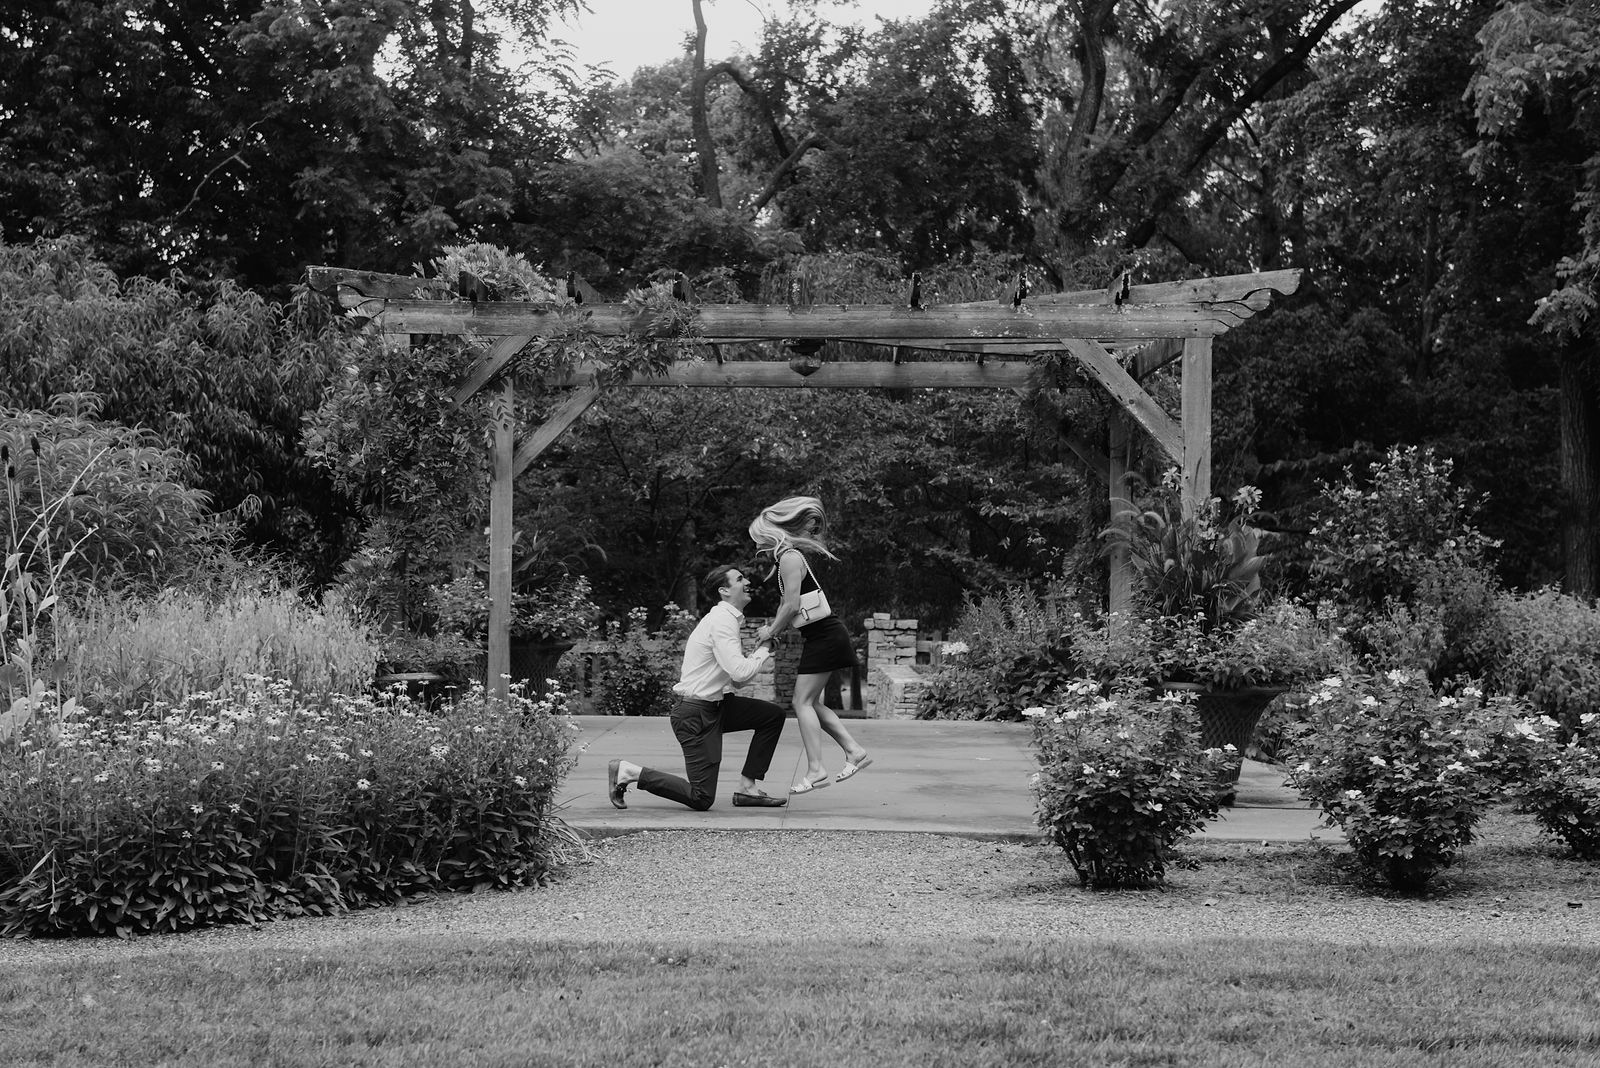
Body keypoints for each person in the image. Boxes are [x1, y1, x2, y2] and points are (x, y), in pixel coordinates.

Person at [606, 564, 789, 811]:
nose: (747, 582)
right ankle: (629, 772)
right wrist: (765, 649)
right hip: (695, 716)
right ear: (724, 590)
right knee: (701, 797)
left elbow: (737, 681)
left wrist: (761, 650)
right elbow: (740, 672)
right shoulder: (722, 622)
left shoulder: (727, 620)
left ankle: (747, 788)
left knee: (772, 716)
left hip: (717, 706)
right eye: (739, 579)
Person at [748, 495, 873, 794]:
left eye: (757, 538)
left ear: (770, 533)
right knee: (812, 703)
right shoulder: (786, 561)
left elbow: (791, 606)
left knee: (800, 702)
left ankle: (816, 769)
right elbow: (786, 606)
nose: (755, 545)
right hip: (823, 636)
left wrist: (769, 633)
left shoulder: (790, 558)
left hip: (826, 637)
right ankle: (854, 751)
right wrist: (773, 631)